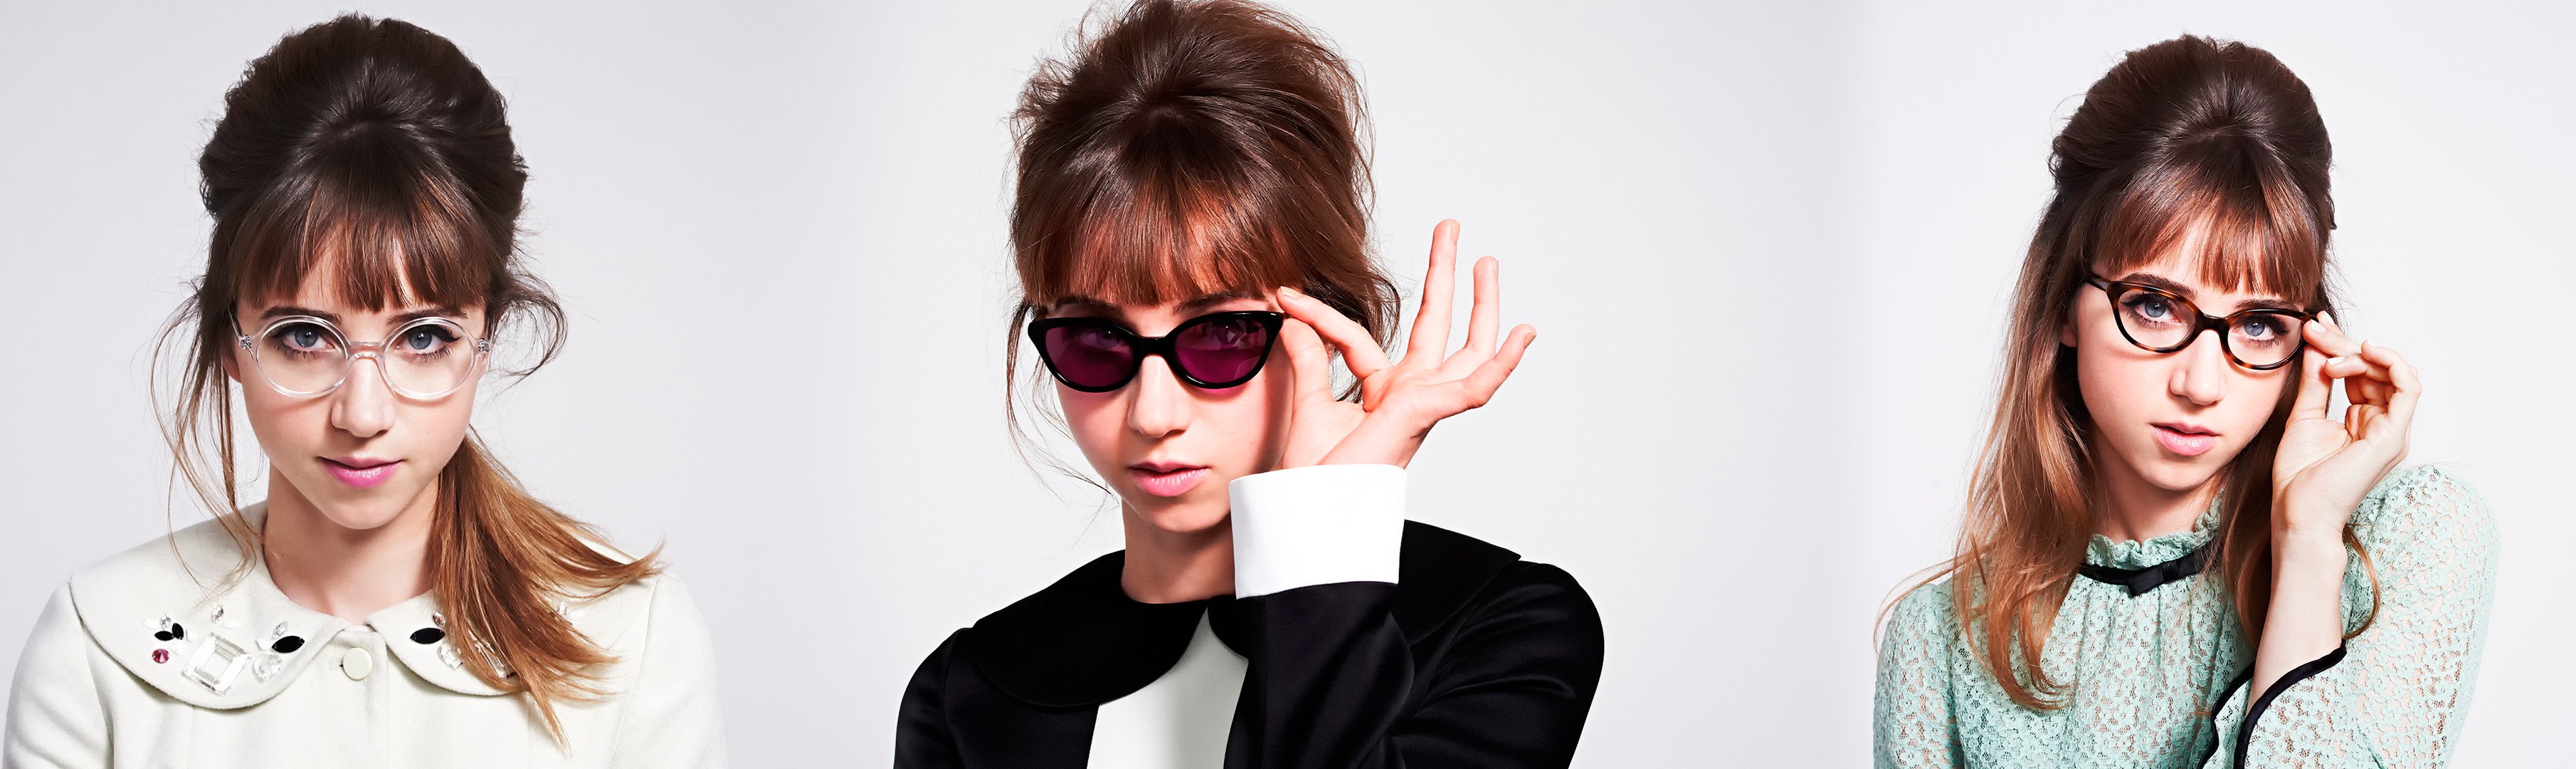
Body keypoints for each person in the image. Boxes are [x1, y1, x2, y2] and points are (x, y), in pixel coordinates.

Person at [893, 1, 1604, 766]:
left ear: (1326, 323)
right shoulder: (970, 693)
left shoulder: (1503, 626)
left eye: (1221, 335)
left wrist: (1327, 520)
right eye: (1098, 340)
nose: (1153, 414)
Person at [3, 16, 725, 768]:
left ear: (488, 338)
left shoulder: (629, 639)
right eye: (304, 337)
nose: (363, 414)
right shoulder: (101, 648)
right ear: (228, 342)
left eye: (425, 338)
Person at [1872, 35, 2496, 768]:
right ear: (2065, 303)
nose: (2200, 385)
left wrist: (2306, 541)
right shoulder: (1937, 645)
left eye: (2259, 324)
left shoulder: (2412, 540)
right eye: (2155, 306)